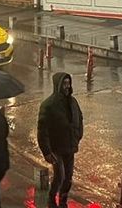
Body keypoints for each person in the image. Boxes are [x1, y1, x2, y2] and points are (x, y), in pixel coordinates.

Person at [37, 72, 83, 208]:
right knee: (60, 176)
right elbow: (42, 130)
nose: (67, 86)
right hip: (56, 148)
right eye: (64, 84)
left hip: (70, 146)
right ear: (58, 85)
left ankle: (63, 201)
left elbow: (80, 119)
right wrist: (46, 151)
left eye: (68, 83)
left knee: (68, 177)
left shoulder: (73, 102)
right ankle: (52, 200)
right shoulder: (48, 105)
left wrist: (78, 135)